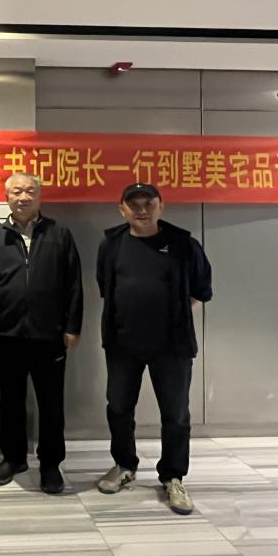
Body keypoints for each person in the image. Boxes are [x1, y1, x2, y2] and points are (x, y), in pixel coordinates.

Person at [95, 182, 212, 515]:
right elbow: (106, 287)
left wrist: (170, 316)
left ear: (162, 206)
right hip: (123, 343)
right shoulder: (111, 244)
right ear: (122, 210)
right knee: (119, 407)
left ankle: (173, 476)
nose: (142, 210)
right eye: (134, 204)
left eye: (149, 203)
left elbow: (201, 290)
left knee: (175, 414)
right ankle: (124, 465)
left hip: (172, 346)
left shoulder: (184, 244)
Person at [0, 173, 83, 494]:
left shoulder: (59, 233)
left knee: (51, 402)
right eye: (16, 192)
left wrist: (73, 327)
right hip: (7, 334)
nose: (23, 197)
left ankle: (50, 464)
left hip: (50, 334)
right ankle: (13, 458)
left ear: (39, 196)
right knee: (10, 400)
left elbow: (74, 284)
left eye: (29, 191)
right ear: (6, 197)